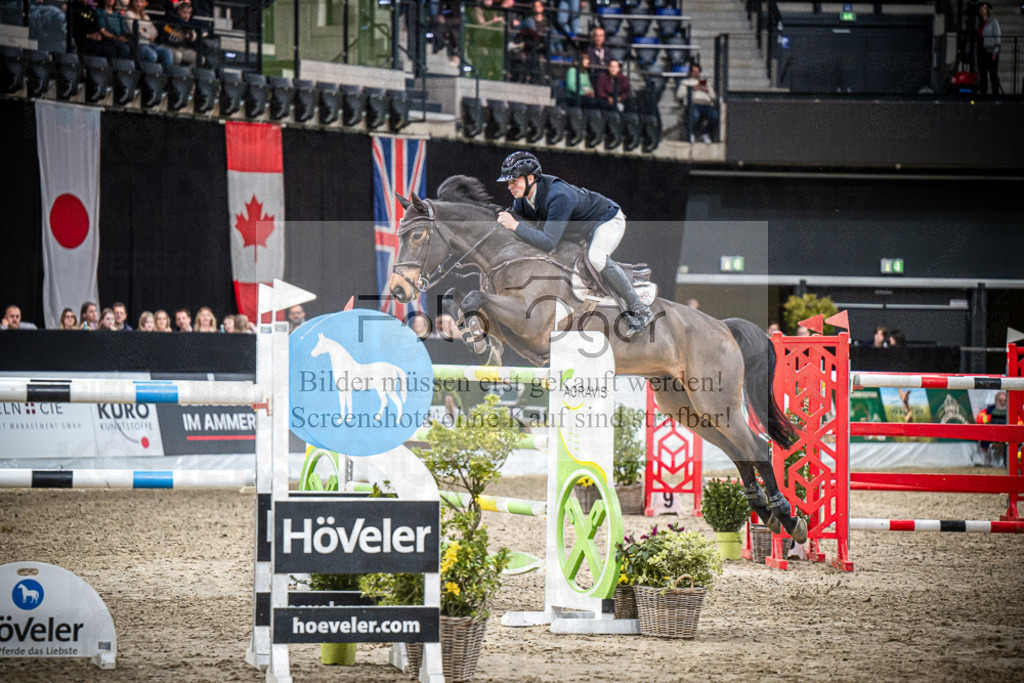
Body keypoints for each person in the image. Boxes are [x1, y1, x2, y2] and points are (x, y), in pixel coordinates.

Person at [495, 151, 653, 337]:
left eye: (514, 181)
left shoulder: (558, 195)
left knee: (596, 258)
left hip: (606, 221)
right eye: (508, 182)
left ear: (530, 178)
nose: (509, 186)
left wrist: (515, 225)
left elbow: (548, 242)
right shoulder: (523, 201)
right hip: (579, 230)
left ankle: (640, 309)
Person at [125, 0, 175, 69]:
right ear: (132, 3)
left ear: (143, 3)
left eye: (141, 2)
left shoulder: (145, 16)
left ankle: (164, 74)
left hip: (149, 43)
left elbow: (154, 32)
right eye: (136, 2)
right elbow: (134, 30)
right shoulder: (129, 14)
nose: (139, 4)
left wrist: (144, 31)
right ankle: (147, 74)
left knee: (168, 53)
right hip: (138, 43)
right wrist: (148, 34)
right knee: (152, 55)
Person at [676, 63, 718, 143]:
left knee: (715, 116)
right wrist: (691, 89)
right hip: (693, 103)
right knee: (695, 115)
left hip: (706, 104)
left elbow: (713, 97)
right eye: (694, 71)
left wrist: (707, 90)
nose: (696, 74)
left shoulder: (705, 83)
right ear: (690, 72)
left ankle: (705, 133)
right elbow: (679, 95)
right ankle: (690, 133)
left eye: (697, 72)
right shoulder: (686, 82)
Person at [157, 0, 203, 66]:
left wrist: (191, 37)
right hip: (166, 46)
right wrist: (189, 26)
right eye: (184, 12)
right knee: (178, 56)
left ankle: (188, 72)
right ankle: (173, 72)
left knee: (200, 58)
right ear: (179, 11)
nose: (186, 16)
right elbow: (181, 22)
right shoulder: (172, 17)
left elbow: (201, 25)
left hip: (179, 48)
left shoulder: (189, 22)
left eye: (189, 13)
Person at [976, 391, 1008, 467]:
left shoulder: (1011, 410)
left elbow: (1019, 422)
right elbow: (979, 419)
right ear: (996, 400)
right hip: (992, 434)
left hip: (1007, 435)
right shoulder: (989, 409)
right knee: (983, 436)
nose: (1003, 403)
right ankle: (985, 462)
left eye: (1005, 401)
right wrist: (989, 417)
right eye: (1000, 400)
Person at [976, 2, 1001, 96]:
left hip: (990, 52)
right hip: (981, 51)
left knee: (992, 74)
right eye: (980, 8)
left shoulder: (993, 22)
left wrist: (995, 51)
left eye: (984, 8)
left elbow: (997, 37)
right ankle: (983, 93)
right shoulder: (980, 22)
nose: (982, 10)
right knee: (983, 74)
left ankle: (995, 94)